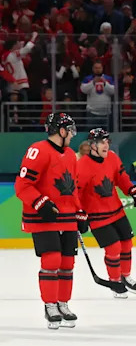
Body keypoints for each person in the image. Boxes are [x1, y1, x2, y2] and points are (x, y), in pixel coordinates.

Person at [14, 112, 82, 329]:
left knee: (67, 263)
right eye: (69, 130)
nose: (72, 135)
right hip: (43, 217)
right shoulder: (38, 150)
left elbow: (73, 187)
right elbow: (22, 185)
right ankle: (50, 305)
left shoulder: (71, 155)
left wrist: (80, 212)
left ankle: (63, 303)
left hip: (67, 216)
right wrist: (40, 203)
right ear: (61, 131)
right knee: (51, 261)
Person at [75, 128, 136, 297]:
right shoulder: (82, 166)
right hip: (97, 216)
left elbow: (122, 179)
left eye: (107, 141)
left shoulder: (113, 158)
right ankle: (114, 281)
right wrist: (79, 213)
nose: (106, 145)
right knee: (113, 248)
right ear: (92, 145)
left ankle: (125, 276)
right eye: (102, 142)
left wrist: (133, 192)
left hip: (116, 210)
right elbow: (75, 193)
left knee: (127, 243)